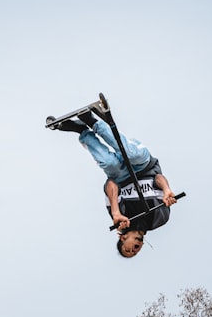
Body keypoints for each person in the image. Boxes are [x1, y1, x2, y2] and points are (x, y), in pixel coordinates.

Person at [54, 106, 178, 258]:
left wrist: (116, 212)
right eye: (135, 252)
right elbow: (158, 177)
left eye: (128, 250)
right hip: (144, 166)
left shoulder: (119, 218)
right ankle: (92, 121)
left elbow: (110, 184)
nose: (134, 250)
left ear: (122, 238)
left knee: (108, 163)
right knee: (130, 153)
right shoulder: (159, 219)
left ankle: (82, 131)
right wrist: (166, 190)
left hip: (120, 177)